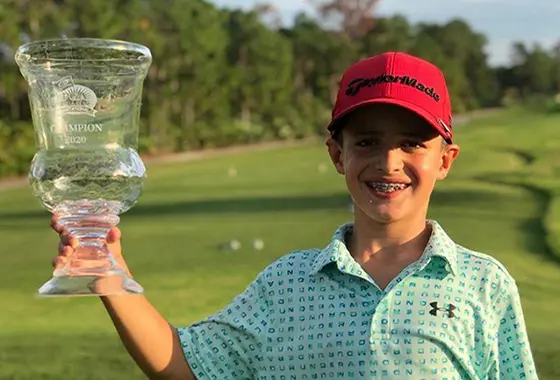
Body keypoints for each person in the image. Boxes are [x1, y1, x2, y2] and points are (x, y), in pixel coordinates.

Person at [52, 52, 539, 380]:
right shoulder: (285, 284)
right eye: (366, 141)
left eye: (411, 142)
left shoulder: (483, 284)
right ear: (336, 154)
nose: (388, 162)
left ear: (446, 160)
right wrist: (111, 276)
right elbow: (184, 364)